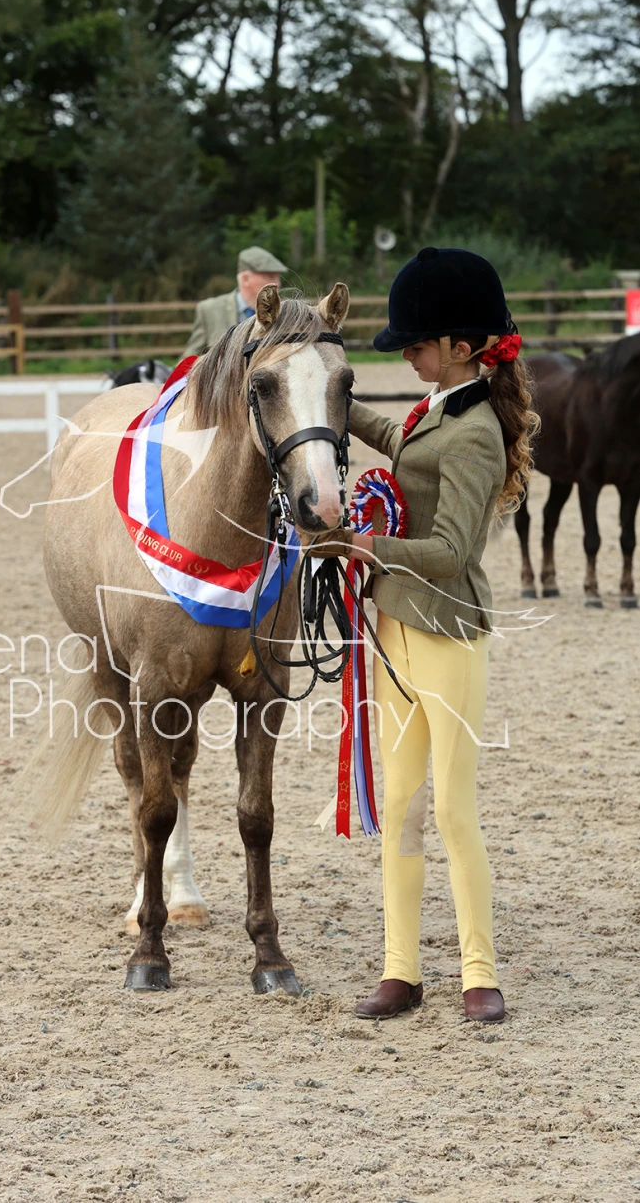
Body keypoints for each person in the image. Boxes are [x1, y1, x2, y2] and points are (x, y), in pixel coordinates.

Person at [311, 246, 539, 1024]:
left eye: (415, 345)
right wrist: (328, 403)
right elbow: (398, 441)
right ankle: (399, 971)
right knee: (401, 804)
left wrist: (362, 545)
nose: (406, 356)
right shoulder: (434, 406)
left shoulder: (474, 432)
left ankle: (479, 973)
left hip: (445, 636)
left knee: (451, 811)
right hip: (393, 632)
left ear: (461, 346)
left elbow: (450, 553)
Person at [181, 246, 288, 358]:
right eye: (270, 277)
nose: (278, 283)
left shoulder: (284, 312)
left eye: (277, 277)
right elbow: (190, 358)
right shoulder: (210, 310)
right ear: (245, 279)